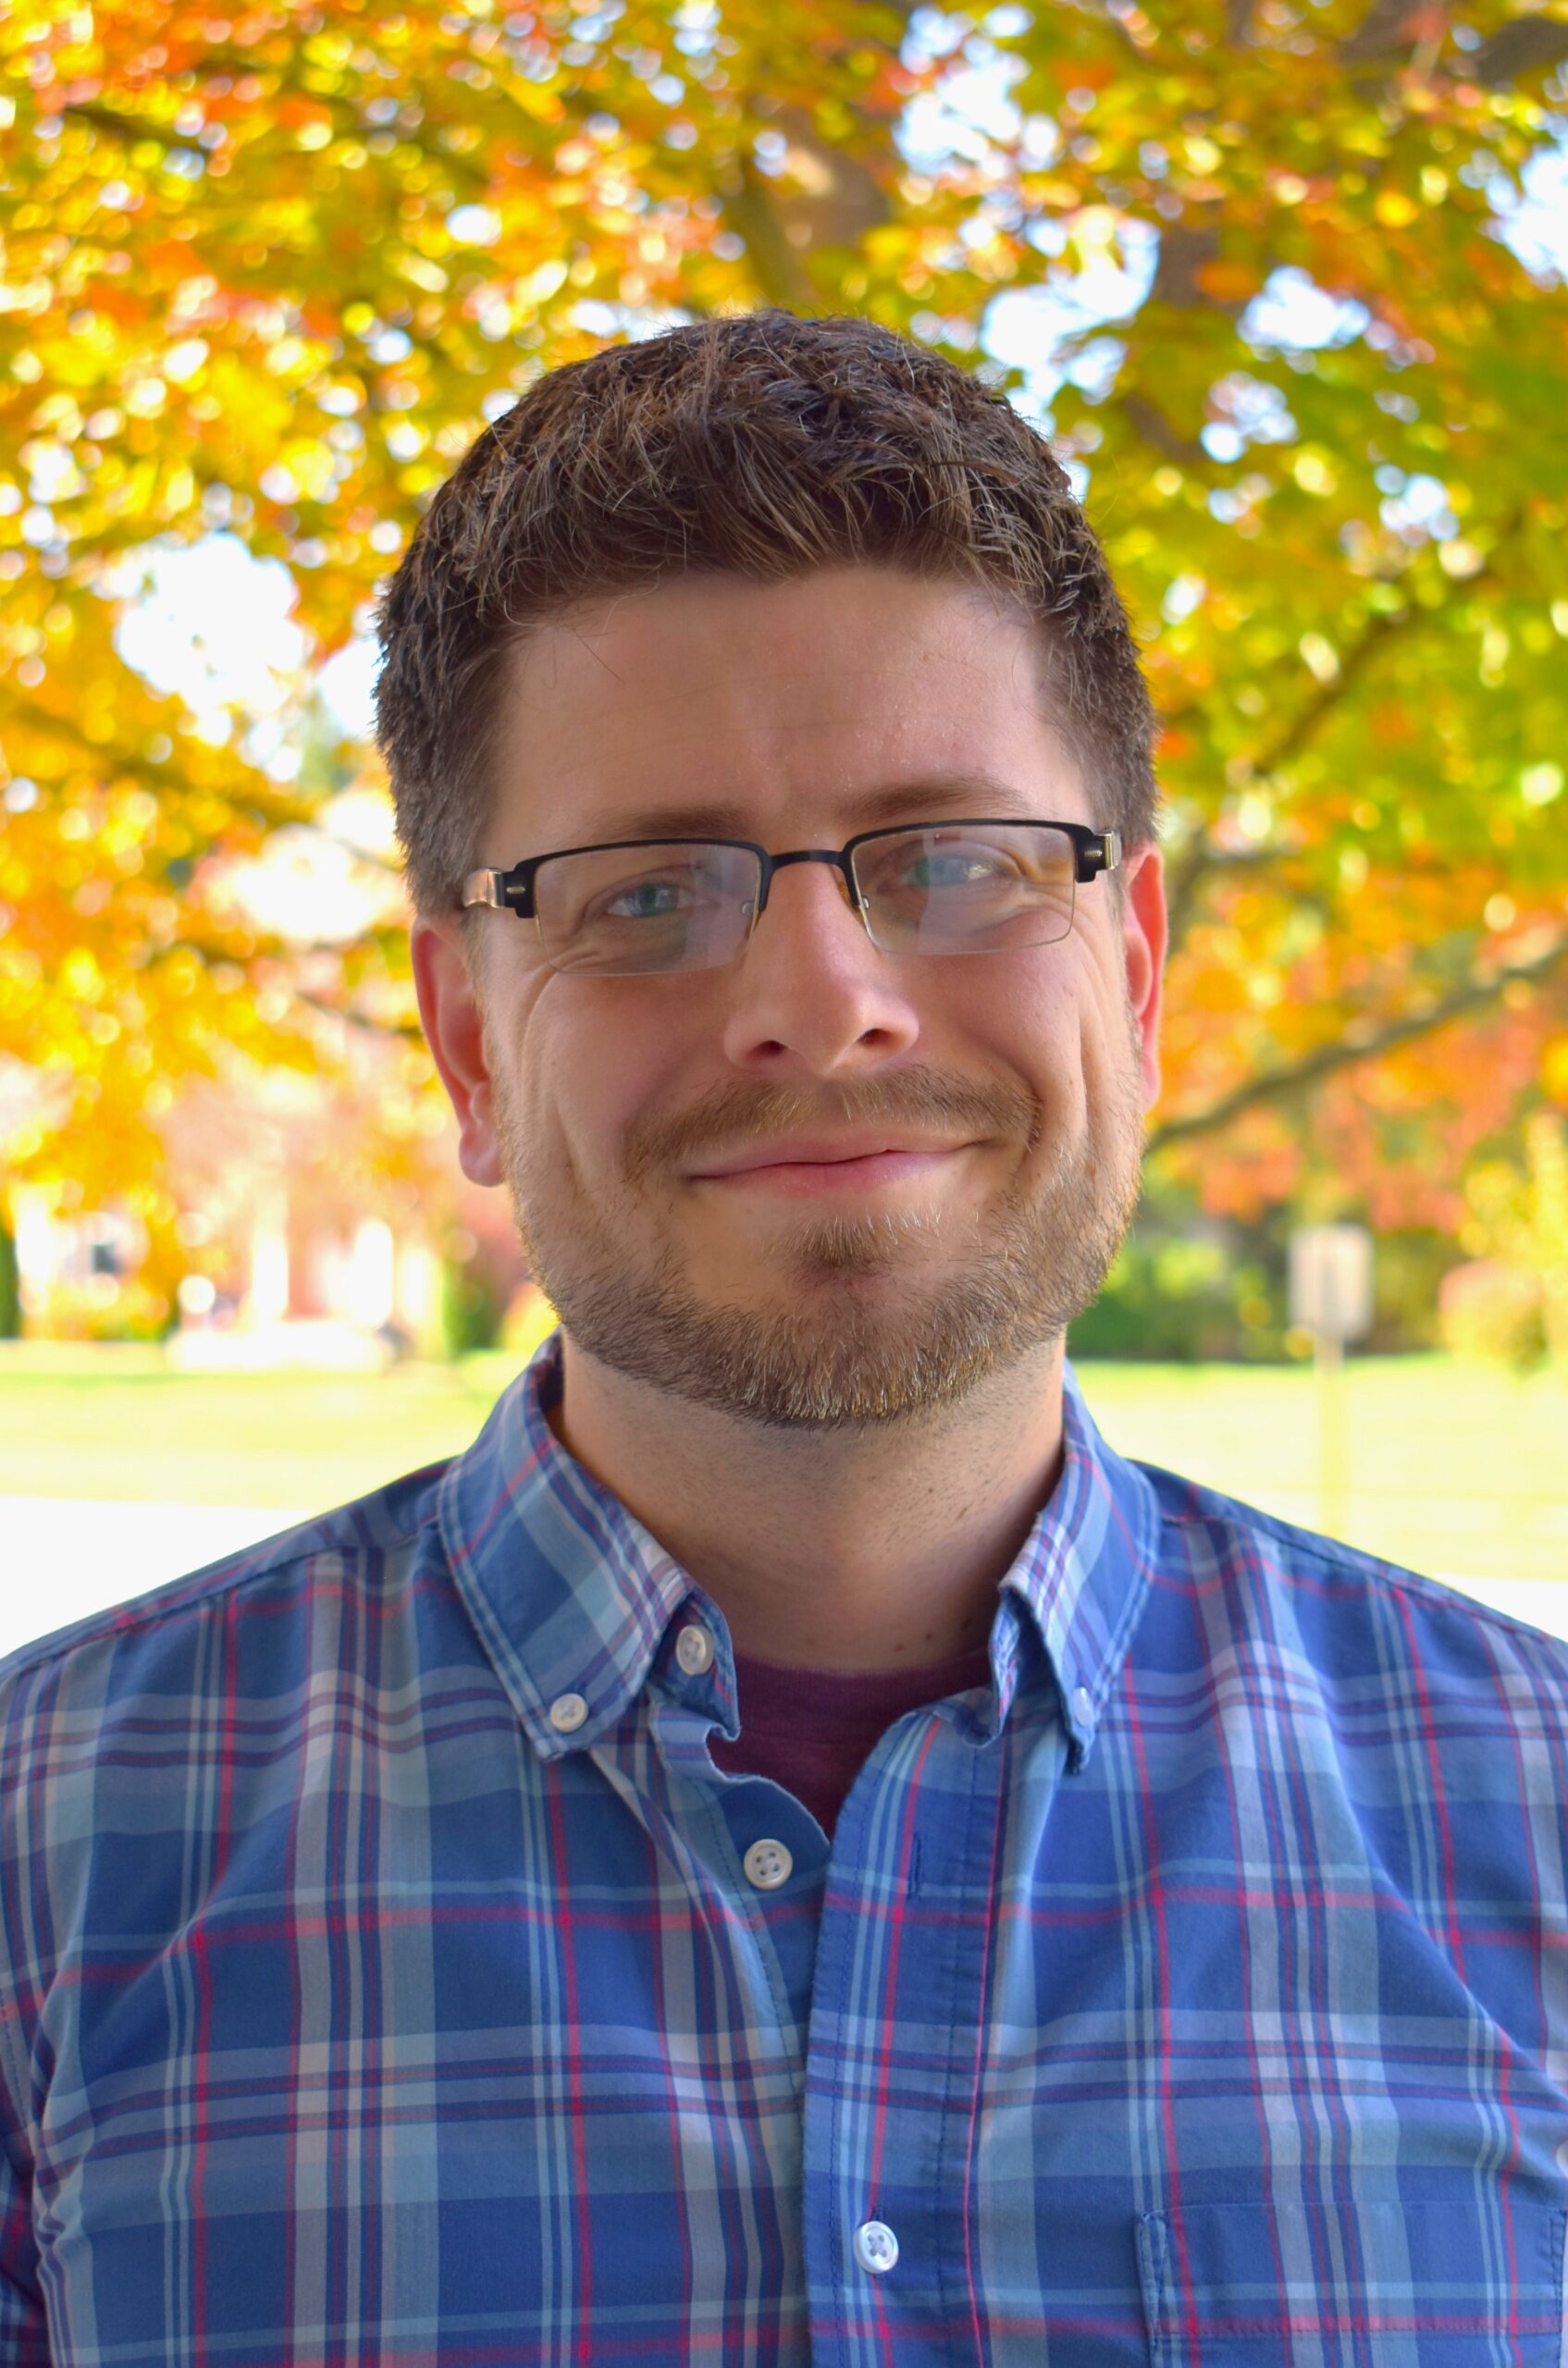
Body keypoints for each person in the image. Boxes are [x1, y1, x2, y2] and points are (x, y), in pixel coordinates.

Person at [2, 313, 1564, 2364]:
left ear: (1139, 968)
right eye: (647, 893)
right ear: (469, 1037)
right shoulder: (47, 1858)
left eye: (955, 862)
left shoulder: (1530, 1822)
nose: (822, 1003)